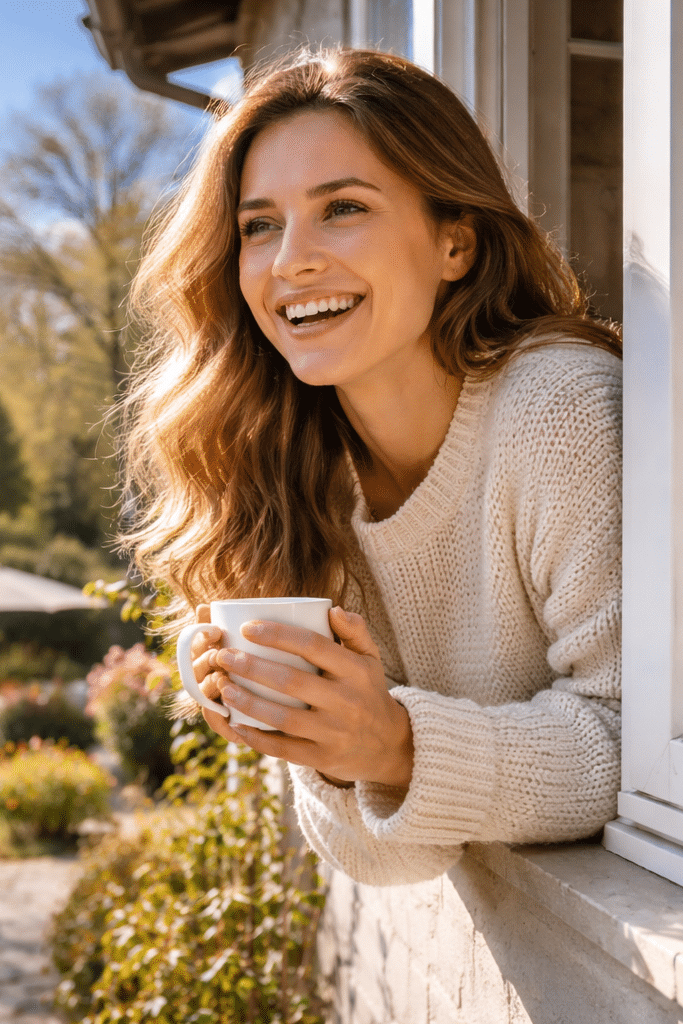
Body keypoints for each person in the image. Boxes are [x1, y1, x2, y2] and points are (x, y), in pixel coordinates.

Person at [119, 48, 623, 886]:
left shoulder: (562, 412)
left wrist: (393, 740)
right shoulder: (293, 473)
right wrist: (322, 739)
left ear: (454, 242)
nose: (291, 262)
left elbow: (640, 748)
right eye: (259, 225)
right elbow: (393, 863)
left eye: (342, 208)